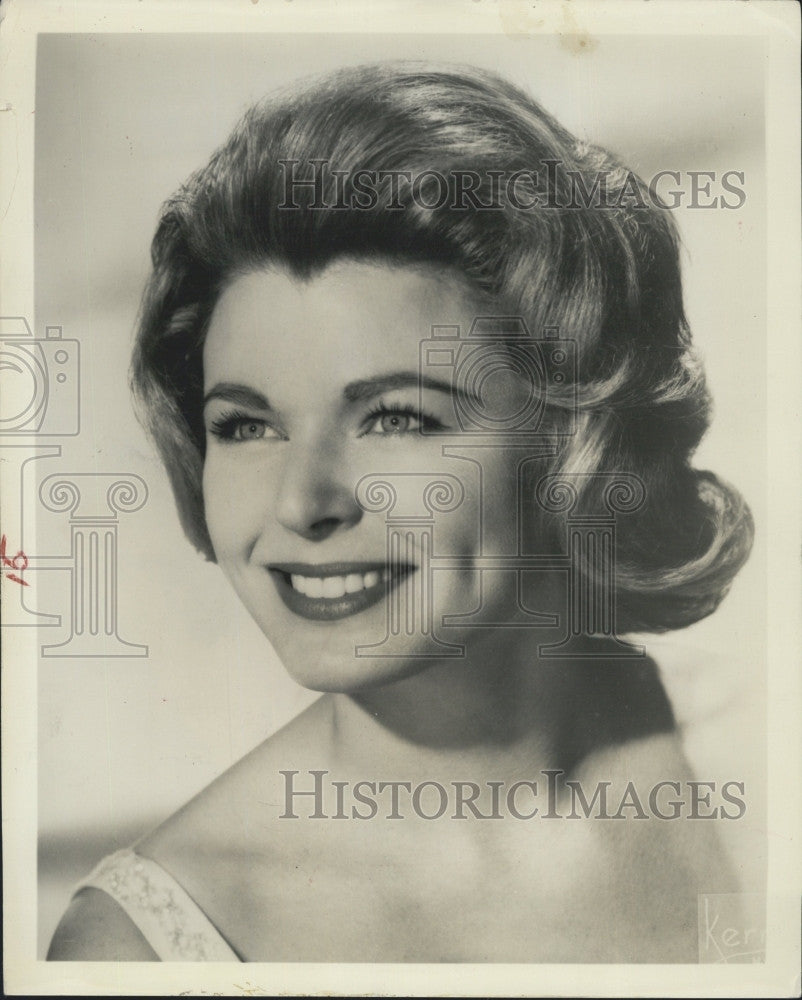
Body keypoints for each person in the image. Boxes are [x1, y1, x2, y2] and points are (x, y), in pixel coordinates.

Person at [47, 62, 753, 963]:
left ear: (572, 435)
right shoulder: (145, 948)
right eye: (247, 426)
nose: (304, 504)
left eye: (396, 417)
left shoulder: (764, 754)